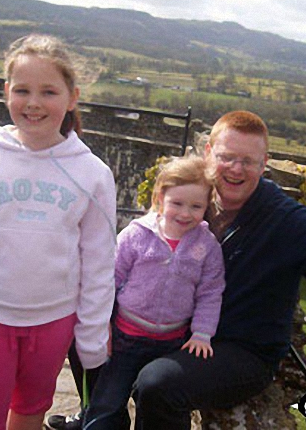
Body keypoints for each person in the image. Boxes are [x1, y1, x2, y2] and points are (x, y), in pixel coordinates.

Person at [50, 110, 306, 430]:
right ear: (208, 153)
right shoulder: (195, 203)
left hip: (241, 350)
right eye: (226, 157)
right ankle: (100, 418)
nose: (236, 169)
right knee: (85, 327)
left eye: (248, 161)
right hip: (180, 330)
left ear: (263, 164)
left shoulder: (285, 220)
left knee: (157, 383)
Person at [0, 34, 116, 430]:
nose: (33, 103)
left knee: (31, 407)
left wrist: (92, 332)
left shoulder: (92, 175)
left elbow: (99, 262)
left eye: (48, 91)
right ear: (6, 92)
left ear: (72, 97)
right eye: (23, 90)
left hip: (53, 321)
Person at [83, 156, 226, 429]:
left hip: (173, 343)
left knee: (159, 405)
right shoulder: (136, 234)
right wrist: (103, 323)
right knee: (107, 404)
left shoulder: (207, 246)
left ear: (207, 206)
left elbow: (210, 292)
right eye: (177, 203)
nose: (185, 213)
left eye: (196, 206)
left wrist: (202, 333)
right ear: (161, 198)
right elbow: (110, 279)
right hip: (126, 338)